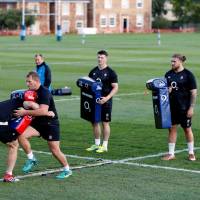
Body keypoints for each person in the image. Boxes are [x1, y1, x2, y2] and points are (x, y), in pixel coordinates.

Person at [14, 71, 72, 179]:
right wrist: (27, 104)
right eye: (26, 82)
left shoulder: (44, 92)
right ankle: (31, 158)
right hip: (38, 123)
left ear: (36, 81)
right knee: (21, 135)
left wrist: (25, 111)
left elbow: (42, 111)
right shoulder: (30, 92)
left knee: (55, 150)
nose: (27, 84)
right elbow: (26, 103)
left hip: (50, 124)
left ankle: (67, 169)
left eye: (29, 81)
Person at [162, 54, 197, 161]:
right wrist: (167, 91)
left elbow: (194, 92)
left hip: (184, 108)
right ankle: (171, 154)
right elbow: (164, 91)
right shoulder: (168, 74)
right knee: (172, 129)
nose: (172, 63)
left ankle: (191, 153)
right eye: (171, 61)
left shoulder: (188, 75)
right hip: (171, 108)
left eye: (174, 61)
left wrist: (191, 107)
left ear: (181, 62)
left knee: (187, 129)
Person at [86, 50, 118, 153]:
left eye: (102, 57)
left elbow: (115, 87)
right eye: (98, 57)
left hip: (106, 101)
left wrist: (107, 98)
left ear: (106, 58)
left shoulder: (111, 72)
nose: (100, 59)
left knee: (105, 123)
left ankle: (104, 145)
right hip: (94, 101)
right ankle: (96, 144)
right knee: (94, 122)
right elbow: (89, 85)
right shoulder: (93, 71)